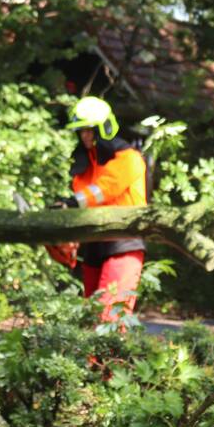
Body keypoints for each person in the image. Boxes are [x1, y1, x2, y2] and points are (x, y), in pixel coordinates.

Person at [53, 96, 147, 324]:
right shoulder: (86, 164)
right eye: (81, 131)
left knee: (110, 318)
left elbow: (105, 189)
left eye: (89, 130)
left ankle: (111, 350)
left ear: (102, 127)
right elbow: (83, 198)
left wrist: (71, 203)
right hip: (94, 244)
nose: (85, 136)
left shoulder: (129, 158)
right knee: (90, 317)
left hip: (123, 242)